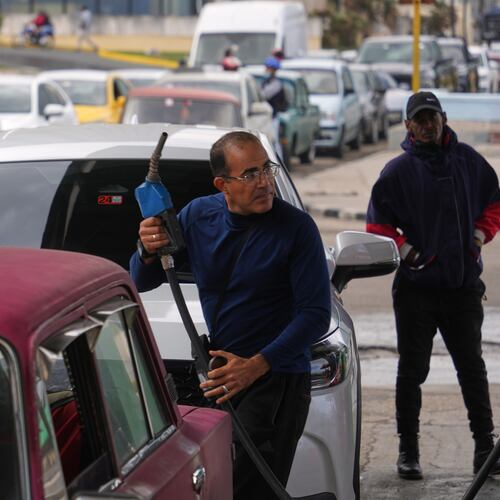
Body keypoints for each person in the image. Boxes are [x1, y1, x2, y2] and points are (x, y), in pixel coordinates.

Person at [129, 131, 331, 499]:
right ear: (222, 184)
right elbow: (142, 280)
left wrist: (256, 366)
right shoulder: (198, 216)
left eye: (266, 170)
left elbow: (316, 314)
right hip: (218, 376)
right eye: (250, 174)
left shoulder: (297, 229)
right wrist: (146, 247)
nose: (265, 182)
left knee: (254, 488)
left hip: (276, 379)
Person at [366, 91, 500, 480]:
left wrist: (477, 237)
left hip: (462, 289)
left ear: (443, 118)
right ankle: (408, 451)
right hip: (416, 292)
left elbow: (494, 202)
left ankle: (485, 451)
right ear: (408, 126)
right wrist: (408, 252)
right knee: (412, 371)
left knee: (472, 369)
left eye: (432, 117)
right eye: (419, 119)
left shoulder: (469, 162)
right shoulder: (397, 172)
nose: (427, 125)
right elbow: (377, 225)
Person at [261, 56, 287, 160]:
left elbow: (264, 95)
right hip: (266, 117)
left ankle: (278, 163)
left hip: (273, 118)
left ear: (273, 69)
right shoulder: (266, 82)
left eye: (268, 68)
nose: (266, 69)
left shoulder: (276, 84)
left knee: (274, 141)